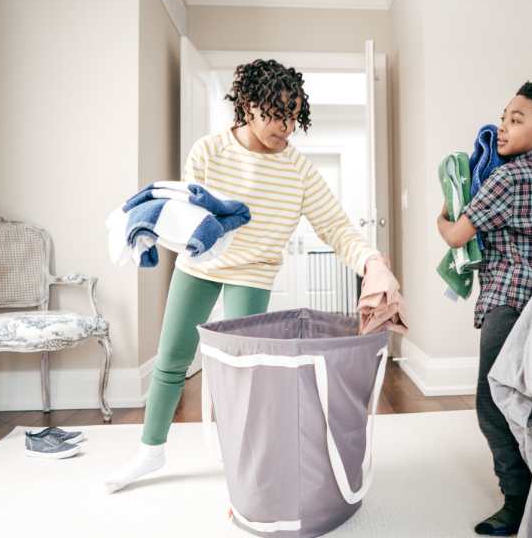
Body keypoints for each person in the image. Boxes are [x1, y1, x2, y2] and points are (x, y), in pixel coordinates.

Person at [105, 59, 390, 493]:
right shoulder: (208, 151)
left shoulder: (298, 169)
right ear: (249, 105)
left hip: (253, 273)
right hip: (199, 265)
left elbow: (335, 226)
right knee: (172, 358)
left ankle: (248, 467)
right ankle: (150, 451)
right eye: (278, 114)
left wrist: (372, 263)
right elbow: (189, 219)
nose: (288, 126)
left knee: (247, 374)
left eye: (294, 115)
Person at [436, 81, 532, 535]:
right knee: (529, 398)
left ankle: (517, 501)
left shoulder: (506, 178)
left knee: (492, 402)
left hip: (505, 305)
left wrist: (445, 211)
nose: (503, 126)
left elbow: (458, 235)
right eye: (504, 117)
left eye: (517, 119)